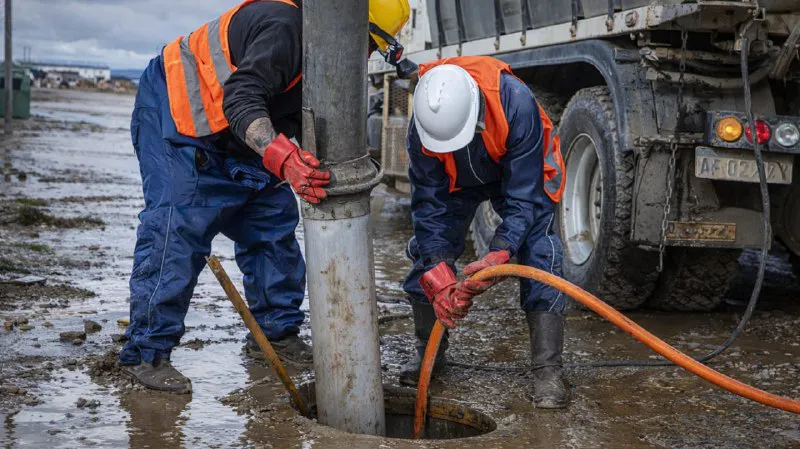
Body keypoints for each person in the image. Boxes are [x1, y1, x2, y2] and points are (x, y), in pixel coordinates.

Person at [121, 0, 410, 393]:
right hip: (178, 112)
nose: (369, 55)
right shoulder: (286, 27)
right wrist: (282, 156)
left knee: (270, 220)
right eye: (371, 44)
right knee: (178, 226)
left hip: (236, 129)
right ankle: (147, 352)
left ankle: (276, 334)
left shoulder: (322, 56)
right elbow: (241, 97)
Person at [399, 56, 569, 408]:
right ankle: (429, 353)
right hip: (456, 181)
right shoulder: (423, 125)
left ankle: (547, 370)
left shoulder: (515, 103)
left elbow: (524, 198)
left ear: (476, 114)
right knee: (427, 254)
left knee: (540, 251)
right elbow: (428, 204)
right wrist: (436, 264)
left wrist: (500, 251)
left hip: (519, 175)